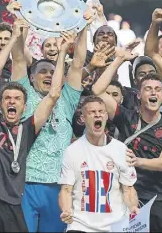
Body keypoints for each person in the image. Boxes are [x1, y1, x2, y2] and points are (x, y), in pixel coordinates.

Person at [0, 19, 64, 232]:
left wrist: (63, 51)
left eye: (17, 99)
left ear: (24, 106)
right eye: (7, 98)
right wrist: (12, 40)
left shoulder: (29, 128)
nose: (11, 101)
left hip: (12, 201)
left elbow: (54, 94)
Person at [10, 9, 91, 231]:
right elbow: (18, 58)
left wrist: (85, 25)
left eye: (51, 72)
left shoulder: (66, 97)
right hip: (24, 183)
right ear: (31, 77)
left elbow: (78, 62)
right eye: (42, 71)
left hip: (58, 185)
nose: (47, 75)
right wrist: (20, 23)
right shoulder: (23, 95)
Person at [95, 72, 162, 233]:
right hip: (131, 197)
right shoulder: (126, 117)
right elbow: (97, 90)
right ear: (139, 95)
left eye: (157, 89)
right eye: (148, 89)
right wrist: (119, 59)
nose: (153, 93)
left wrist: (136, 161)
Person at [58, 96, 139, 232]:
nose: (97, 115)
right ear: (83, 118)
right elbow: (66, 190)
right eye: (92, 112)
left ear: (106, 116)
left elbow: (128, 189)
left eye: (101, 112)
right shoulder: (72, 151)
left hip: (115, 226)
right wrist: (66, 210)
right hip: (80, 225)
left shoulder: (121, 150)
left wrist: (133, 207)